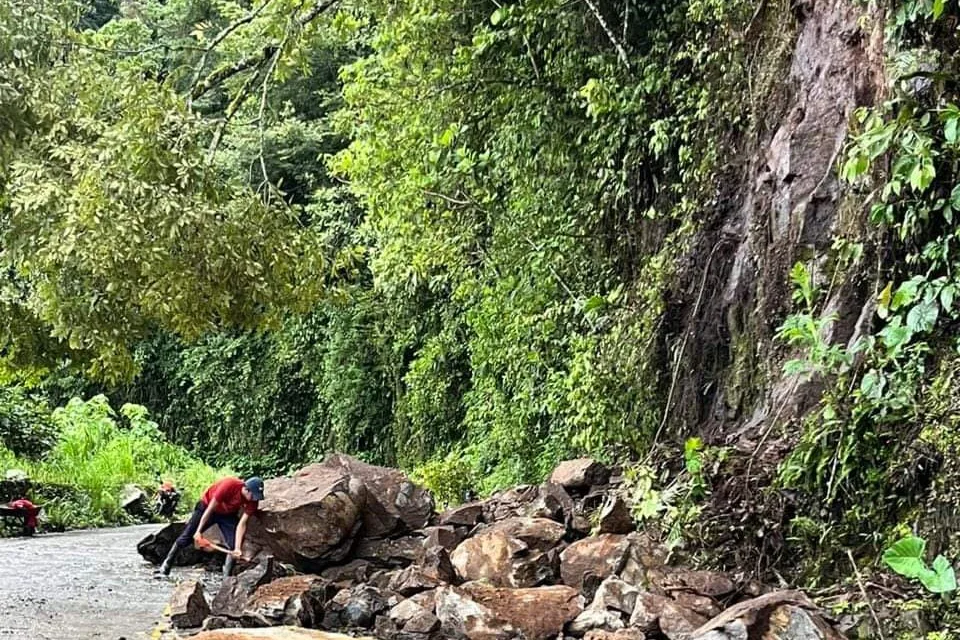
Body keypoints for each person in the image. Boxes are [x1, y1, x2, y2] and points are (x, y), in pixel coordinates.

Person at [159, 476, 264, 577]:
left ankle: (227, 578)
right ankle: (167, 564)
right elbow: (209, 509)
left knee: (233, 545)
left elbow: (242, 524)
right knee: (187, 536)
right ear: (246, 489)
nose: (254, 499)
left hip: (227, 515)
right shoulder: (229, 485)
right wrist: (198, 531)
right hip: (207, 507)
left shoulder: (253, 502)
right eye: (253, 496)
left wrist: (237, 548)